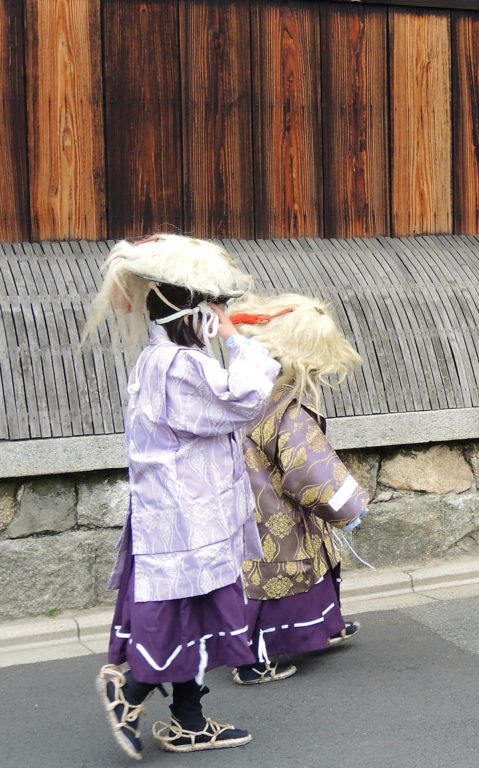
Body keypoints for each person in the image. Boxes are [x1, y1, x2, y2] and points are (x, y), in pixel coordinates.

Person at [85, 234, 281, 758]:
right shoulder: (182, 366)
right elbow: (245, 399)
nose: (219, 318)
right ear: (193, 313)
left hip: (177, 513)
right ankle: (130, 692)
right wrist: (237, 340)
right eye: (213, 309)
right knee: (179, 617)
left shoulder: (159, 358)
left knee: (191, 617)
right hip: (186, 519)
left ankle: (189, 721)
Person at [225, 293, 369, 684]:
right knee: (276, 579)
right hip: (276, 510)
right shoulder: (286, 408)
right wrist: (349, 507)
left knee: (302, 568)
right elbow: (311, 467)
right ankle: (252, 661)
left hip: (251, 502)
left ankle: (324, 626)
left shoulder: (249, 390)